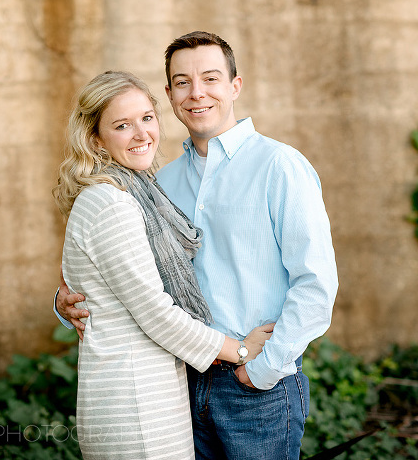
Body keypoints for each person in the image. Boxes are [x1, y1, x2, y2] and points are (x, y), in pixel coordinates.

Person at [57, 32, 339, 459]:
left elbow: (316, 284)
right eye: (183, 82)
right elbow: (127, 278)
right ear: (169, 95)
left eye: (210, 78)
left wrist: (261, 369)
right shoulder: (157, 183)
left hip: (254, 388)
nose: (197, 93)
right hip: (180, 384)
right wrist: (68, 302)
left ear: (234, 86)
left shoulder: (279, 166)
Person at [53, 70, 274, 460]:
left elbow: (107, 288)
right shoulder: (112, 203)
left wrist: (62, 301)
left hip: (148, 394)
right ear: (95, 139)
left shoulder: (141, 191)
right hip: (137, 404)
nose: (142, 135)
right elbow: (156, 313)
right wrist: (240, 351)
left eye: (146, 118)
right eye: (122, 125)